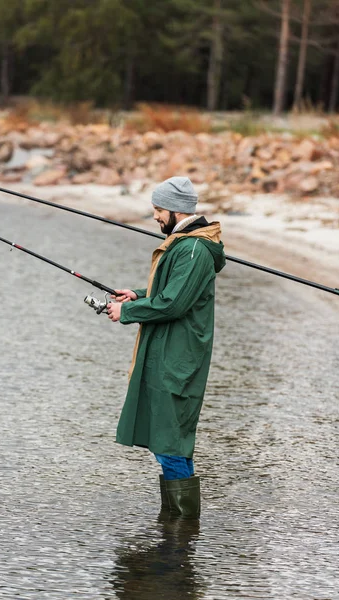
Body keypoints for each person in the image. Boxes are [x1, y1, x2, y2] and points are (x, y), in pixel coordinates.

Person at [107, 176, 225, 519]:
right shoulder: (186, 244)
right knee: (170, 440)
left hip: (178, 358)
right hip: (172, 352)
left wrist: (126, 311)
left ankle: (182, 525)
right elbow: (172, 293)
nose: (156, 217)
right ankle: (179, 528)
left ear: (175, 210)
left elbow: (173, 304)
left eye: (158, 210)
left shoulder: (193, 249)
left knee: (170, 440)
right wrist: (137, 296)